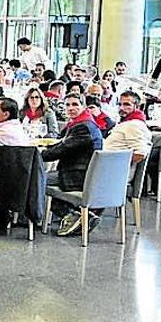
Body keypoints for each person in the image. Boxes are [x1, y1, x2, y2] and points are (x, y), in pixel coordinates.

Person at [42, 93, 104, 236]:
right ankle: (81, 216)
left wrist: (38, 155)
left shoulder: (83, 127)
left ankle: (69, 214)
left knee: (37, 180)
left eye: (75, 104)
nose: (70, 108)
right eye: (68, 104)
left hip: (78, 176)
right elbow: (63, 144)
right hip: (83, 172)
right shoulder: (84, 123)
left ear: (83, 106)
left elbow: (62, 150)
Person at [103, 91, 152, 163]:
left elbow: (140, 154)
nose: (121, 108)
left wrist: (117, 164)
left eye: (127, 105)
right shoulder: (128, 122)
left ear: (137, 107)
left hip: (109, 166)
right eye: (120, 104)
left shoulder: (133, 125)